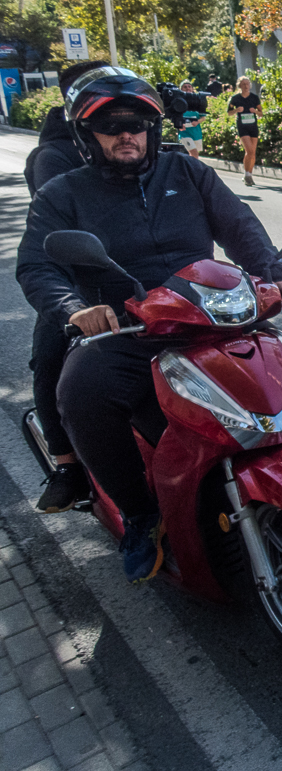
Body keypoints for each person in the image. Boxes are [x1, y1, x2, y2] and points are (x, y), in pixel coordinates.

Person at [16, 67, 282, 584]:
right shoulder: (62, 193)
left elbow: (240, 227)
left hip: (207, 320)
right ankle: (141, 514)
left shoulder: (188, 173)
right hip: (124, 331)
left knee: (278, 363)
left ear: (152, 128)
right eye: (111, 126)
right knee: (80, 392)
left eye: (139, 124)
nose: (127, 134)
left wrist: (275, 277)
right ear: (86, 133)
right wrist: (73, 307)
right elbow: (37, 266)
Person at [21, 60, 108, 513]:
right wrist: (72, 307)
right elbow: (61, 233)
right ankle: (67, 466)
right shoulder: (54, 155)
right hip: (76, 282)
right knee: (51, 366)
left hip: (137, 277)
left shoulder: (135, 140)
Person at [227, 76, 262, 186]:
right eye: (243, 84)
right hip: (242, 126)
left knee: (252, 152)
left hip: (253, 126)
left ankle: (249, 175)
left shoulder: (255, 98)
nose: (246, 86)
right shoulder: (236, 98)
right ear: (240, 86)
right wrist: (237, 110)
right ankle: (247, 174)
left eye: (247, 84)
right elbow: (229, 112)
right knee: (249, 150)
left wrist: (255, 111)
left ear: (250, 85)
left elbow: (261, 113)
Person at [177, 81, 205, 159]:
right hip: (185, 132)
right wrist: (179, 124)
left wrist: (197, 122)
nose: (187, 88)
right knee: (194, 153)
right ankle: (194, 170)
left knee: (195, 155)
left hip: (196, 132)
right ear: (181, 89)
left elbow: (203, 117)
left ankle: (190, 169)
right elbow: (174, 116)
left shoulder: (197, 101)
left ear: (192, 89)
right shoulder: (179, 102)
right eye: (185, 87)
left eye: (189, 86)